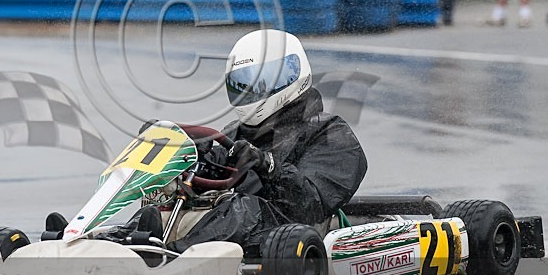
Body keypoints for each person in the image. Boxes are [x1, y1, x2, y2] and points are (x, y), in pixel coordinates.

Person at [87, 29, 368, 257]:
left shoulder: (330, 133)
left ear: (292, 74)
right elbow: (217, 180)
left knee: (243, 209)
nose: (250, 93)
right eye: (242, 85)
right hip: (231, 222)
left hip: (292, 227)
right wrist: (191, 155)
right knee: (166, 206)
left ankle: (171, 257)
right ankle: (115, 241)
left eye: (258, 84)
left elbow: (311, 203)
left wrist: (268, 166)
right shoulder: (237, 131)